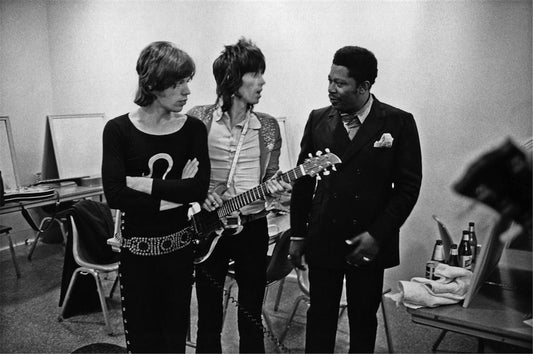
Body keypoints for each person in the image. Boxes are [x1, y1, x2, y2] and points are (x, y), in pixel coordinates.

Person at [289, 46, 422, 353]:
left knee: (364, 317)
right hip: (324, 234)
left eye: (340, 83)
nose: (330, 89)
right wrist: (297, 233)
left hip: (368, 238)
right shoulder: (318, 119)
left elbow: (407, 187)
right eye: (329, 80)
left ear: (364, 87)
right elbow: (303, 180)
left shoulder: (398, 123)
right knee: (320, 314)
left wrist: (378, 235)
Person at [102, 41, 210, 353]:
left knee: (174, 338)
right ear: (153, 83)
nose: (187, 91)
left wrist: (142, 184)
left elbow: (199, 190)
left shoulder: (193, 130)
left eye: (187, 81)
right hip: (136, 255)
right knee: (142, 339)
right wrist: (177, 190)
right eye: (178, 83)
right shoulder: (118, 130)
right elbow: (115, 194)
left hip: (179, 251)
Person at [187, 38, 291, 353]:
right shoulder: (198, 118)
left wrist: (278, 189)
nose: (262, 82)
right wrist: (202, 195)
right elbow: (183, 172)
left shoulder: (269, 127)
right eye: (255, 74)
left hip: (253, 225)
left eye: (262, 74)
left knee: (251, 312)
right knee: (208, 312)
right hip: (207, 226)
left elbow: (271, 176)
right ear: (233, 81)